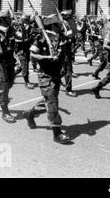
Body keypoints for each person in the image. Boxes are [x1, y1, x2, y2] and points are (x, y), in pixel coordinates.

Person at [23, 14, 71, 144]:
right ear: (52, 26)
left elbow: (65, 50)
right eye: (58, 25)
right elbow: (32, 56)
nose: (60, 27)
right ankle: (57, 132)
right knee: (52, 102)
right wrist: (47, 58)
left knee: (49, 101)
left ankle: (30, 113)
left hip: (56, 74)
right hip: (45, 75)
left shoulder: (59, 38)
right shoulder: (41, 38)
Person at [13, 14, 35, 89]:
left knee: (23, 65)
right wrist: (25, 38)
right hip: (20, 50)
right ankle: (27, 82)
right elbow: (18, 38)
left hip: (27, 49)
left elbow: (32, 36)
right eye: (26, 21)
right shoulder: (17, 28)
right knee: (25, 64)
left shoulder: (30, 28)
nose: (28, 22)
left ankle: (12, 75)